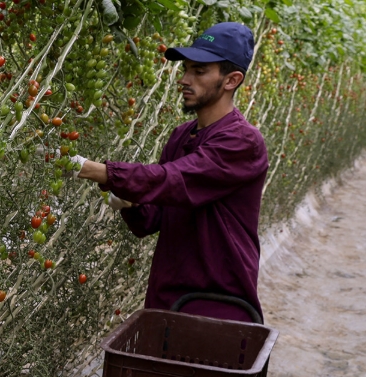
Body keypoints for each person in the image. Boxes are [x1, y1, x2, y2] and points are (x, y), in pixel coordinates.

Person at [72, 22, 268, 323]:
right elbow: (152, 220)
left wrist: (101, 172)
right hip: (168, 299)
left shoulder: (242, 141)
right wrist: (132, 204)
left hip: (217, 304)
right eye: (186, 69)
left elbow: (176, 179)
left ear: (232, 80)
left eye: (199, 71)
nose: (185, 79)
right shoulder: (182, 136)